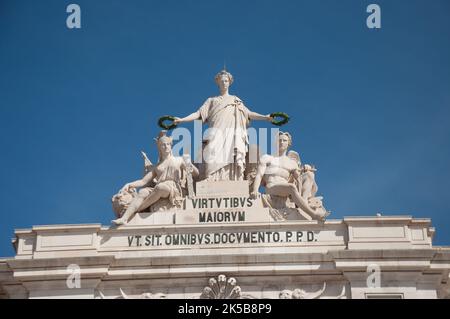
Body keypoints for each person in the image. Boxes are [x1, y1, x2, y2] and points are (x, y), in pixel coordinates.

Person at [174, 69, 272, 181]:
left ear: (229, 82)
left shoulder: (236, 100)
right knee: (211, 152)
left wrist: (265, 117)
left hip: (232, 133)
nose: (224, 83)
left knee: (232, 154)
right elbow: (198, 114)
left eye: (226, 81)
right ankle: (210, 178)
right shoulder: (211, 101)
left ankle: (233, 179)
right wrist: (182, 120)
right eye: (222, 81)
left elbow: (249, 114)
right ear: (218, 83)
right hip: (215, 132)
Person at [112, 131, 199, 226]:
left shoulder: (179, 160)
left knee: (160, 187)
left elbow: (196, 173)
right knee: (143, 192)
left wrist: (189, 164)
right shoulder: (157, 167)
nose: (166, 147)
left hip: (173, 188)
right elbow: (143, 181)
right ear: (159, 148)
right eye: (163, 145)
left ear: (171, 146)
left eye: (168, 144)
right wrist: (129, 184)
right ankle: (124, 218)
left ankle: (138, 209)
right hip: (159, 187)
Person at [251, 131, 328, 221]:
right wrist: (255, 190)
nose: (281, 142)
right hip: (271, 187)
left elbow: (299, 179)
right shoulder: (267, 158)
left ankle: (303, 204)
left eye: (284, 140)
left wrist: (306, 169)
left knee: (309, 175)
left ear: (288, 143)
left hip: (285, 189)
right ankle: (313, 214)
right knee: (291, 187)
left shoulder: (292, 163)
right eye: (279, 140)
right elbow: (259, 174)